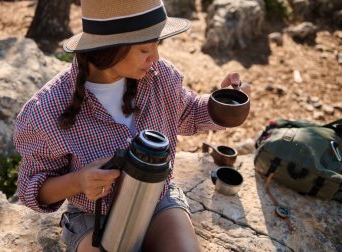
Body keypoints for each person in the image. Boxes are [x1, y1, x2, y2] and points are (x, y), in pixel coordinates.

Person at [14, 0, 250, 251]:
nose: (156, 57)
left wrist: (223, 101)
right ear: (108, 47)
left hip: (157, 198)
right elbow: (33, 188)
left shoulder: (160, 76)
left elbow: (189, 111)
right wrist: (79, 181)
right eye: (144, 49)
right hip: (92, 216)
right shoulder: (46, 110)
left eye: (157, 45)